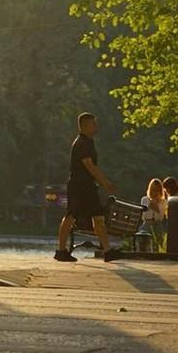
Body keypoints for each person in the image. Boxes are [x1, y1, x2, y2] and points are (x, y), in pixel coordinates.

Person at [54, 112, 122, 262]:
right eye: (93, 124)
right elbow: (90, 166)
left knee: (98, 217)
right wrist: (106, 183)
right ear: (84, 126)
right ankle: (61, 250)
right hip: (78, 186)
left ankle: (107, 251)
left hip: (89, 187)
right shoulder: (81, 144)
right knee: (71, 216)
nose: (96, 126)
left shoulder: (89, 142)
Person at [140, 178, 167, 249]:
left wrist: (157, 208)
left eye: (157, 190)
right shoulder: (144, 199)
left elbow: (161, 217)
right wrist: (149, 207)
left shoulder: (163, 202)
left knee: (158, 244)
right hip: (147, 224)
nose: (155, 192)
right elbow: (143, 216)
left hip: (157, 224)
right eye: (153, 190)